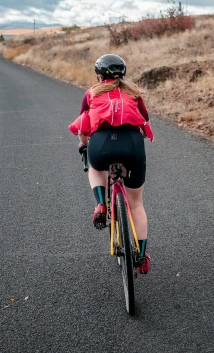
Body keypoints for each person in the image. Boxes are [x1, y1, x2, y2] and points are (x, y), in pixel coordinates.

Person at [68, 54, 153, 274]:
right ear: (123, 73)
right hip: (132, 146)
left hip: (101, 145)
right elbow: (144, 122)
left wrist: (84, 145)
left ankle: (101, 203)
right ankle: (141, 257)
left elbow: (83, 126)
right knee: (136, 204)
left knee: (96, 167)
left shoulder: (92, 93)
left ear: (98, 74)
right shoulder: (134, 94)